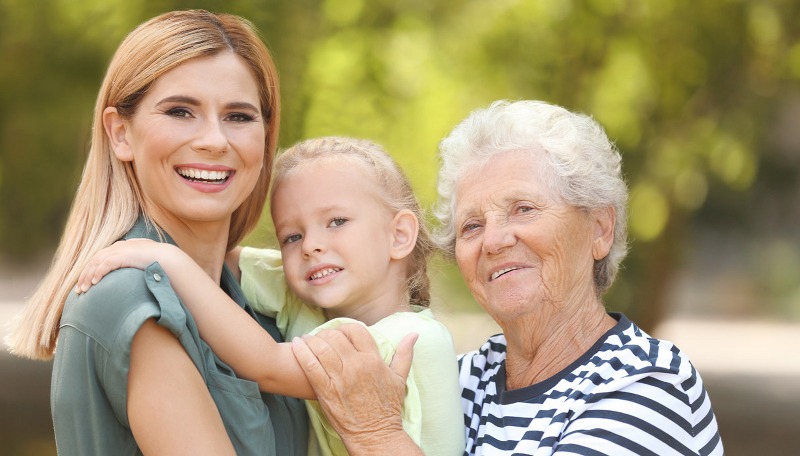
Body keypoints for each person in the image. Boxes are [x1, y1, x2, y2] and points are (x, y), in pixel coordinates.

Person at [290, 100, 725, 455]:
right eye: (472, 226)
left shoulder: (647, 389)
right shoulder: (462, 379)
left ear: (599, 229)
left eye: (524, 209)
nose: (493, 241)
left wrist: (377, 436)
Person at [6, 10, 308, 455]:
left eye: (239, 117)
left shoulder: (260, 301)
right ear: (120, 133)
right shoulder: (131, 299)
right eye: (180, 111)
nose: (214, 140)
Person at [75, 136, 465, 455]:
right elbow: (216, 259)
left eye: (336, 222)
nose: (311, 245)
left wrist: (166, 259)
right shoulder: (307, 295)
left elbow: (268, 365)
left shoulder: (412, 339)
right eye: (291, 236)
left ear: (399, 235)